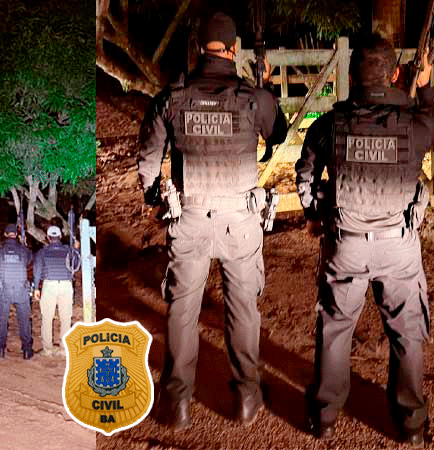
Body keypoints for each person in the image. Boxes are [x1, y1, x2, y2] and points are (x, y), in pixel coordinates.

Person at [136, 11, 287, 429]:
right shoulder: (253, 98)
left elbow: (148, 159)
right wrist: (266, 87)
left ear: (200, 48)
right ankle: (246, 398)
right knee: (242, 310)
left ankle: (177, 403)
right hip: (241, 220)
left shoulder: (172, 98)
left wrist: (155, 198)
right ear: (234, 49)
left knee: (182, 311)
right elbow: (278, 133)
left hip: (190, 219)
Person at [295, 34, 434, 445]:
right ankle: (411, 425)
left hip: (346, 243)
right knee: (406, 332)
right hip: (398, 246)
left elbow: (305, 175)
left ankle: (324, 417)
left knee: (336, 327)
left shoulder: (328, 126)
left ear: (352, 75)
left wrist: (314, 215)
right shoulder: (416, 125)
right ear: (394, 75)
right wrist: (425, 85)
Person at [32, 225, 79, 356]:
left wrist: (36, 288)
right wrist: (76, 249)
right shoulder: (69, 250)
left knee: (47, 318)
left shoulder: (42, 252)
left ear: (48, 237)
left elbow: (37, 271)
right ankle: (64, 349)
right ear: (60, 236)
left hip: (49, 285)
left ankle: (48, 349)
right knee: (66, 318)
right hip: (66, 285)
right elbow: (76, 265)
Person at [0, 224, 33, 359]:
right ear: (17, 234)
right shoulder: (24, 249)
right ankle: (27, 350)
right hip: (21, 289)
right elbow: (29, 262)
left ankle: (0, 349)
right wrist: (24, 245)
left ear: (5, 234)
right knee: (24, 320)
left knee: (2, 319)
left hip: (5, 288)